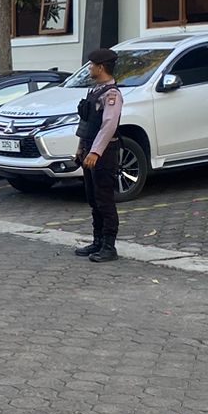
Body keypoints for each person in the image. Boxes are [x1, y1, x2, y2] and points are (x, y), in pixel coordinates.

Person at [71, 48, 123, 263]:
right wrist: (80, 148)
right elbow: (87, 123)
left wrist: (95, 152)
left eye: (92, 65)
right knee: (93, 199)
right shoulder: (94, 91)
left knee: (104, 200)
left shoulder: (112, 94)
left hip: (104, 153)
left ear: (101, 67)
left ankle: (109, 246)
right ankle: (98, 241)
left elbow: (109, 125)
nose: (89, 68)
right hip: (89, 150)